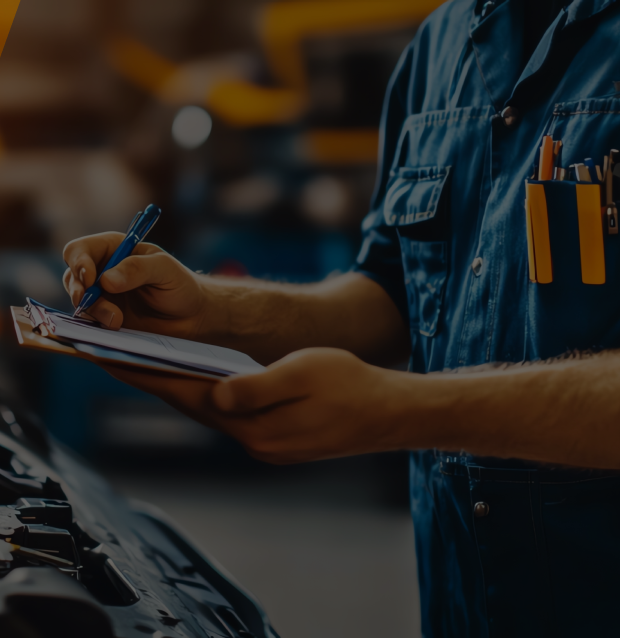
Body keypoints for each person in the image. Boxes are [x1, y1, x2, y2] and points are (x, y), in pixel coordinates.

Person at [62, 0, 620, 635]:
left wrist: (404, 411)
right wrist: (209, 307)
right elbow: (391, 290)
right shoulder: (441, 46)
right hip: (466, 606)